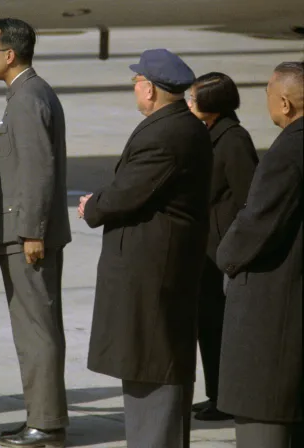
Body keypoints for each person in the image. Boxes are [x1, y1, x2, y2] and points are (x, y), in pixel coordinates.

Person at [77, 49, 212, 447]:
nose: (134, 86)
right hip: (156, 270)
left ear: (150, 89)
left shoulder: (166, 134)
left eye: (137, 80)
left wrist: (94, 205)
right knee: (146, 366)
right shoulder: (176, 126)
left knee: (153, 370)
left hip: (154, 275)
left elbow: (129, 192)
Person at [0, 17, 72, 448]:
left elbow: (38, 169)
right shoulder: (28, 94)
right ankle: (42, 416)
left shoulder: (27, 99)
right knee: (34, 327)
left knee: (36, 328)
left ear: (10, 54)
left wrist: (32, 231)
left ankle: (47, 424)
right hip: (25, 232)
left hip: (27, 236)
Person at [215, 61, 303, 448]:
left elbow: (257, 221)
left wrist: (227, 258)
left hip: (274, 310)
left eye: (268, 94)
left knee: (262, 421)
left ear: (285, 103)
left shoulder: (287, 151)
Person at [185, 72, 258, 421]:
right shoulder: (210, 134)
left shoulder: (233, 141)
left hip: (222, 252)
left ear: (211, 106)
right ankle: (216, 393)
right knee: (208, 327)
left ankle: (226, 398)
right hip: (206, 252)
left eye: (193, 98)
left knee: (220, 328)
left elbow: (250, 200)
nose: (188, 102)